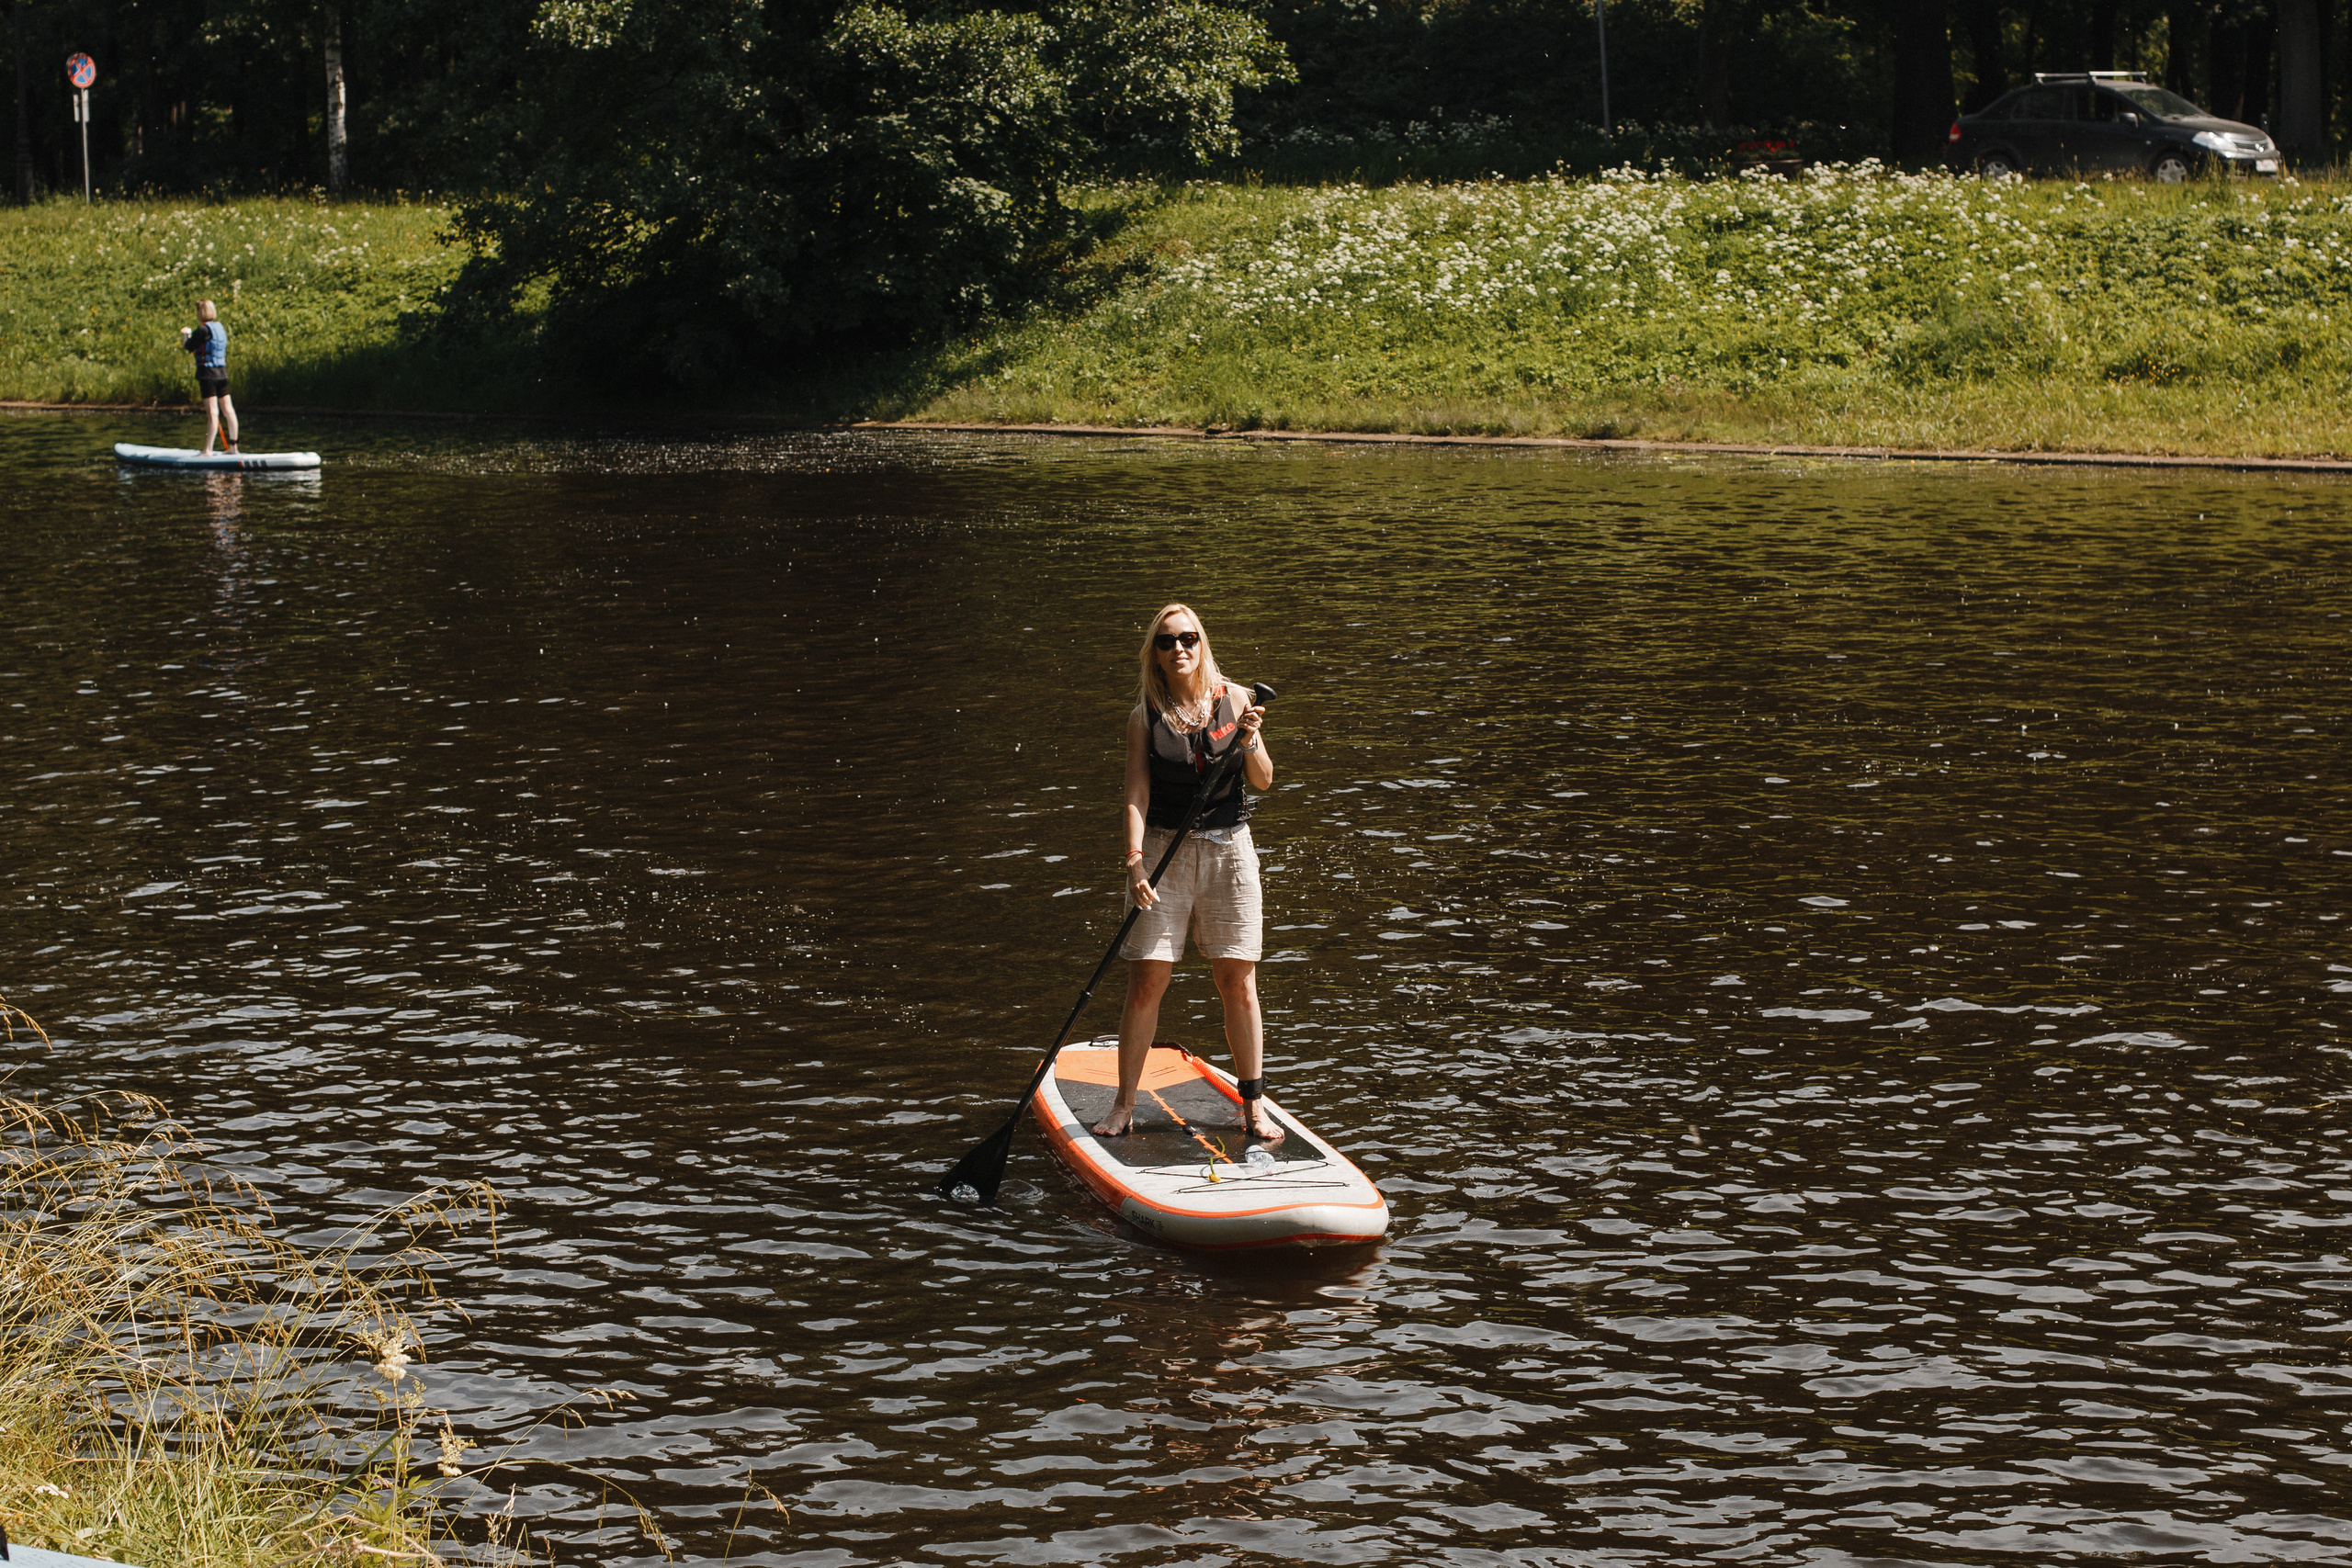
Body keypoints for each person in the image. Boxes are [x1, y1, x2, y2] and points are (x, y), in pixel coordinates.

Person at [1092, 602, 1279, 1142]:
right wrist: (1134, 861)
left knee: (1237, 981)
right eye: (1167, 640)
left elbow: (1263, 780)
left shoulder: (1238, 700)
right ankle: (1124, 1105)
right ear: (1154, 653)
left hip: (1229, 851)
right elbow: (1136, 793)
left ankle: (1254, 1105)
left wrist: (1249, 741)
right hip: (1161, 852)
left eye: (1188, 638)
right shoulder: (1144, 716)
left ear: (1202, 644)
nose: (1179, 648)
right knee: (1147, 979)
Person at [179, 299, 240, 456]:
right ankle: (233, 447)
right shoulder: (220, 327)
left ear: (201, 312)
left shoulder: (202, 330)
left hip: (208, 375)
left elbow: (188, 346)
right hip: (222, 374)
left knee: (213, 413)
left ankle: (208, 450)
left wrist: (186, 334)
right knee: (228, 410)